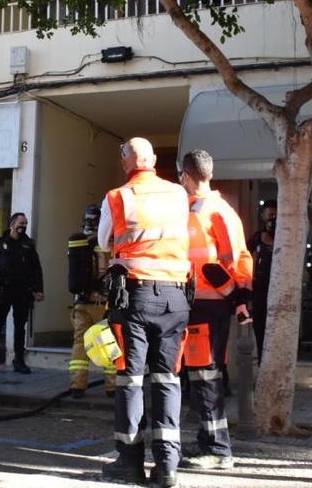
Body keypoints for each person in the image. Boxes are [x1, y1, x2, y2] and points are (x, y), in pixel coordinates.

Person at [98, 137, 191, 488]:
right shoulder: (178, 194)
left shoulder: (117, 197)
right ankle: (167, 466)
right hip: (175, 297)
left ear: (126, 162)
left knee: (131, 380)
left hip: (134, 296)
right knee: (167, 380)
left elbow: (105, 241)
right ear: (152, 160)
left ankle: (130, 461)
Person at [177, 149, 253, 470]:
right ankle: (210, 441)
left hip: (209, 306)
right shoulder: (204, 210)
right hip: (201, 304)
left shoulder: (213, 212)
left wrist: (238, 301)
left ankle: (219, 450)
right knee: (203, 376)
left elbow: (237, 260)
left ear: (186, 176)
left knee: (206, 376)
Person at [67, 204, 116, 398]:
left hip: (80, 302)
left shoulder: (77, 243)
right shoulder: (103, 244)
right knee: (107, 342)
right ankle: (112, 386)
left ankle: (77, 385)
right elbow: (106, 272)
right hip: (100, 303)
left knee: (80, 343)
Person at [0, 213, 44, 374]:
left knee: (20, 328)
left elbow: (36, 269)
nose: (23, 226)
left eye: (25, 223)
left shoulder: (28, 244)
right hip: (2, 291)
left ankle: (19, 360)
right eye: (20, 223)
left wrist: (39, 289)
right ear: (11, 224)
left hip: (22, 291)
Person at [247, 200, 277, 361]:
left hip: (279, 292)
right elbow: (244, 256)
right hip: (260, 291)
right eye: (270, 215)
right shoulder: (257, 238)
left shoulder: (285, 239)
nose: (273, 219)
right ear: (263, 216)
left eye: (276, 215)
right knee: (260, 330)